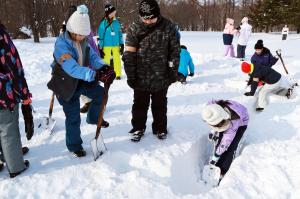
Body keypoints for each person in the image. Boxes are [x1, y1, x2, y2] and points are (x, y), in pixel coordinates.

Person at [47, 5, 115, 157]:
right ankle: (74, 145)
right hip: (65, 84)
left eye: (84, 35)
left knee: (100, 94)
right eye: (78, 34)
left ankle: (93, 118)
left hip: (81, 80)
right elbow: (72, 68)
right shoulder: (61, 45)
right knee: (73, 117)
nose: (82, 38)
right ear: (71, 29)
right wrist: (94, 75)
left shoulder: (83, 40)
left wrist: (104, 67)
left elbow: (92, 57)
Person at [123, 0, 180, 141]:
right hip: (140, 77)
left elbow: (175, 52)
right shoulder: (134, 28)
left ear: (158, 14)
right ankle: (138, 128)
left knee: (160, 105)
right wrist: (130, 75)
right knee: (139, 105)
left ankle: (160, 128)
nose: (148, 21)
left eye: (151, 18)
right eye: (145, 18)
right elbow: (129, 54)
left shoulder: (169, 27)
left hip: (161, 76)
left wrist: (173, 72)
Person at [0, 22, 31, 177]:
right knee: (7, 129)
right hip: (2, 95)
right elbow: (13, 68)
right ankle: (16, 166)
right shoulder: (1, 36)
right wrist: (24, 94)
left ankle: (5, 155)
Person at [201, 100, 249, 177]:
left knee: (231, 146)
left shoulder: (234, 121)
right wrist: (213, 131)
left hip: (241, 122)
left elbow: (226, 141)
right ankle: (216, 163)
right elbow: (212, 118)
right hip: (226, 116)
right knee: (220, 140)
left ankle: (223, 170)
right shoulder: (211, 108)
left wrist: (216, 156)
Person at [98, 3, 124, 80]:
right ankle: (106, 74)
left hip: (116, 44)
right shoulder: (103, 23)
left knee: (117, 60)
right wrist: (100, 48)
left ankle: (118, 74)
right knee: (106, 60)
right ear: (108, 13)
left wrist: (122, 44)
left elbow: (120, 34)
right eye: (113, 12)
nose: (114, 13)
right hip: (106, 45)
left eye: (114, 12)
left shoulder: (116, 22)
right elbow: (101, 37)